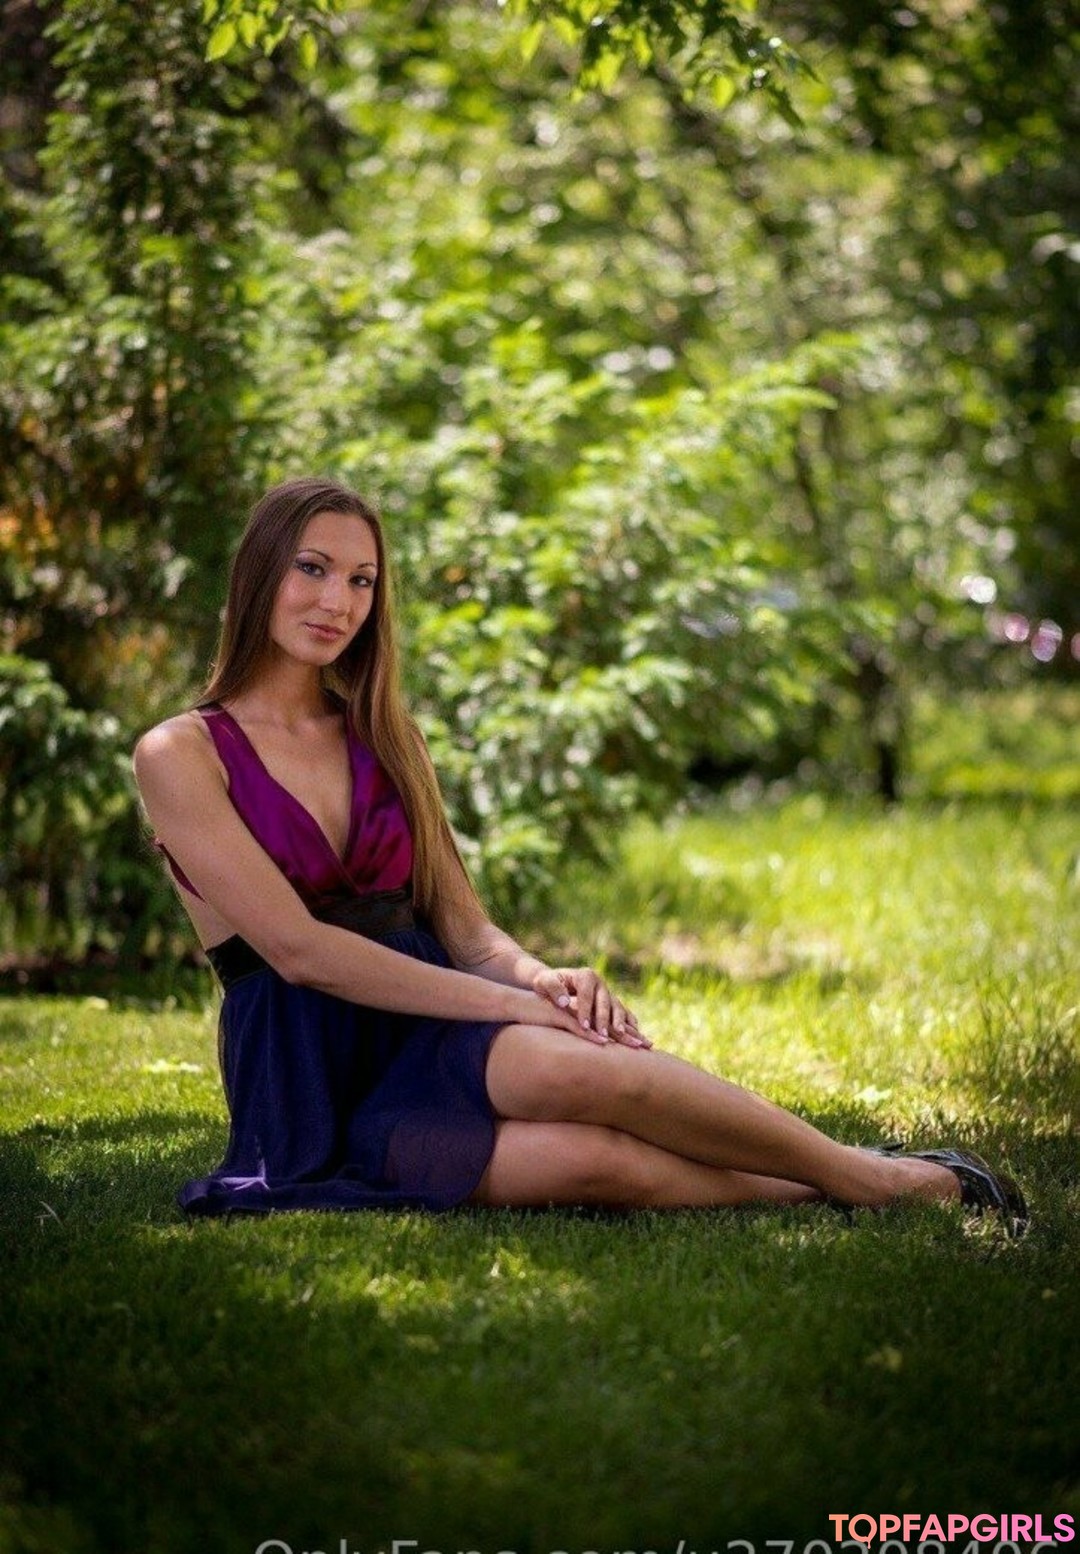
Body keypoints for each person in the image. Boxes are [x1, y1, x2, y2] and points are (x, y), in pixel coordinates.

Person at [132, 476, 1028, 1233]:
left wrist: (542, 980)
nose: (338, 601)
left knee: (580, 1067)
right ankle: (860, 1175)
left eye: (362, 580)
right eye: (313, 568)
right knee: (601, 1165)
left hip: (432, 1034)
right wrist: (506, 1004)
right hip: (309, 1081)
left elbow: (467, 930)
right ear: (261, 571)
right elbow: (300, 952)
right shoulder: (180, 753)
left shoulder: (386, 735)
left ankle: (875, 1177)